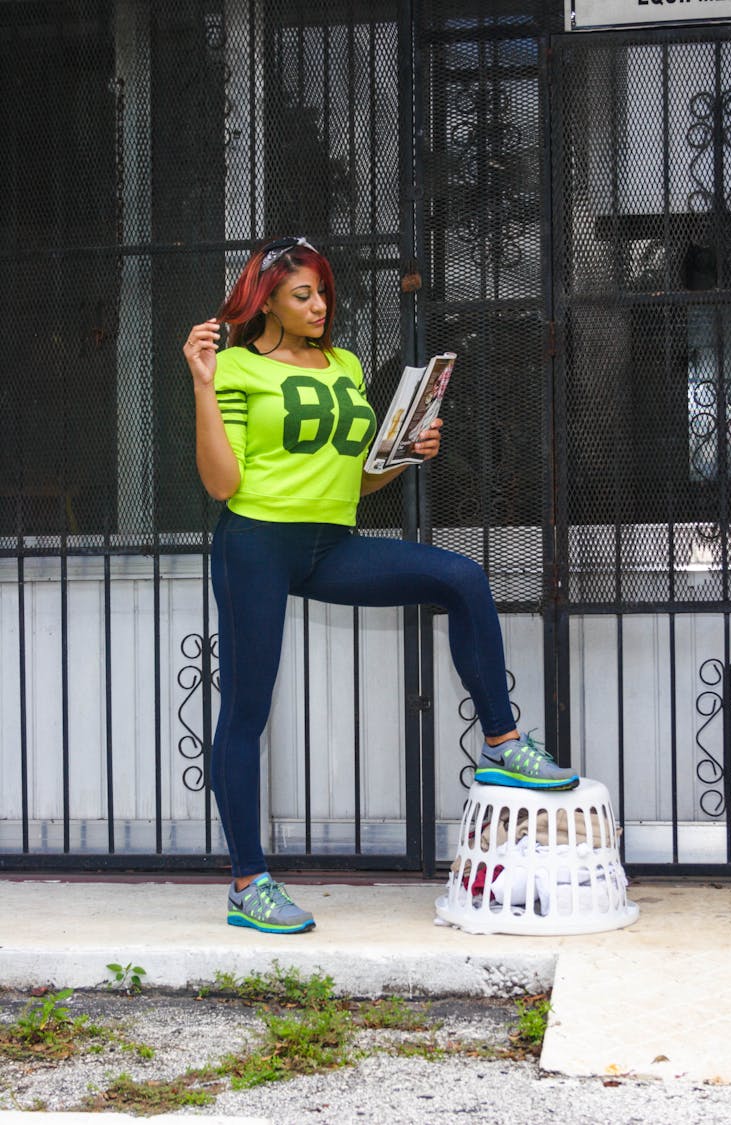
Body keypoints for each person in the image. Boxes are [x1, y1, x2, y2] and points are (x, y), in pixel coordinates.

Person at [183, 235, 578, 935]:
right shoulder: (236, 366)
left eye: (323, 293)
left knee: (459, 576)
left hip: (330, 542)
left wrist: (406, 454)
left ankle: (503, 740)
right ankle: (249, 882)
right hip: (256, 544)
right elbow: (223, 482)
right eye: (302, 293)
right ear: (266, 297)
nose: (318, 305)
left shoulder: (344, 364)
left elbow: (356, 480)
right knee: (246, 709)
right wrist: (203, 384)